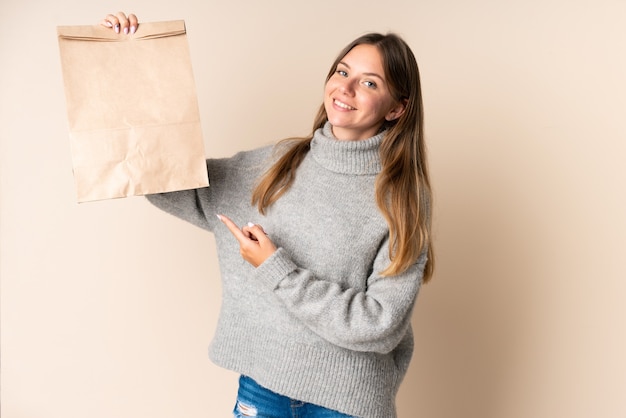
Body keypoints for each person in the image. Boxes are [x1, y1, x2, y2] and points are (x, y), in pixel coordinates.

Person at [101, 12, 434, 418]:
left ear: (397, 108)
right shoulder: (274, 167)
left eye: (368, 82)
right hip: (263, 390)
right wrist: (132, 60)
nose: (344, 87)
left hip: (346, 403)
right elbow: (164, 179)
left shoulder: (401, 197)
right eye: (342, 71)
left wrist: (278, 271)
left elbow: (381, 323)